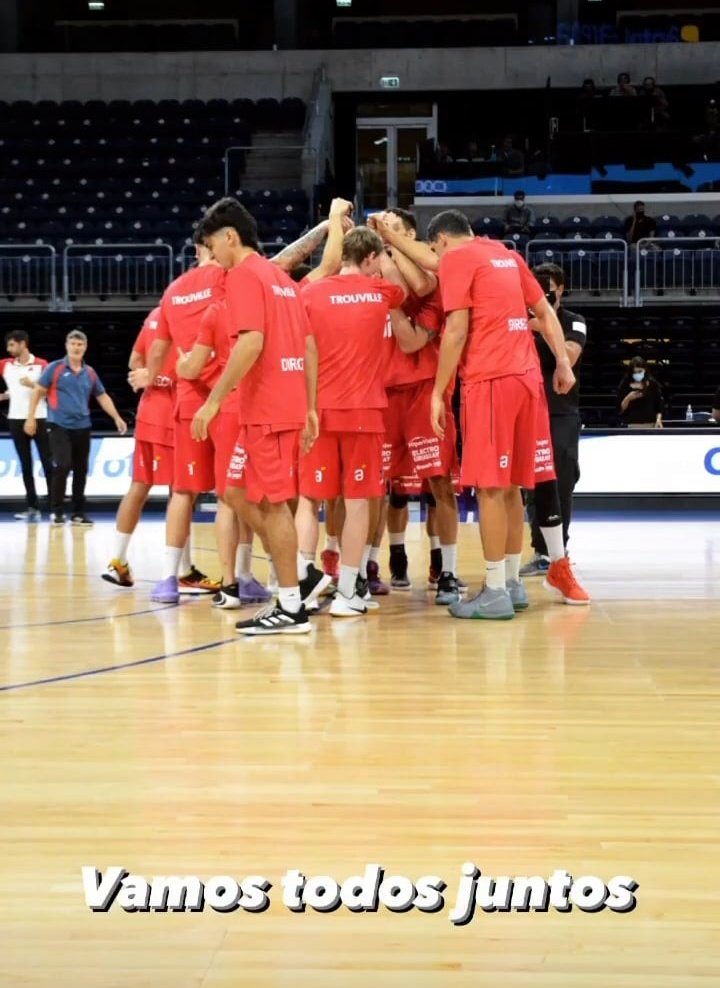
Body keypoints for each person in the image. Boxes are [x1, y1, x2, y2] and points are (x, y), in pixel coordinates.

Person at [426, 209, 580, 620]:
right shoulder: (507, 255)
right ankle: (511, 582)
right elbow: (545, 313)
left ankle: (493, 589)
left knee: (491, 488)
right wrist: (563, 364)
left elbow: (456, 330)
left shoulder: (456, 259)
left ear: (441, 241)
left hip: (491, 379)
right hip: (529, 379)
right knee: (512, 486)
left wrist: (438, 392)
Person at [191, 196, 321, 636]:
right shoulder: (278, 276)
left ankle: (290, 603)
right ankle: (294, 580)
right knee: (236, 491)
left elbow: (250, 343)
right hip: (283, 403)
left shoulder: (245, 274)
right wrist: (309, 407)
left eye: (212, 246)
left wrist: (211, 403)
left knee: (270, 503)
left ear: (230, 237)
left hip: (265, 406)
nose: (212, 257)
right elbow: (307, 345)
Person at [297, 225, 406, 616]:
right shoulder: (380, 290)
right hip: (364, 412)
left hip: (319, 411)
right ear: (372, 258)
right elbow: (405, 288)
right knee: (358, 502)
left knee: (310, 500)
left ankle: (301, 587)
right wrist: (390, 240)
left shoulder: (310, 292)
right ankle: (347, 593)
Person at [369, 207, 462, 605]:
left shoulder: (434, 282)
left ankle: (448, 571)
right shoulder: (374, 271)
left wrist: (389, 239)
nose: (384, 229)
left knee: (439, 485)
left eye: (395, 227)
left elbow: (416, 290)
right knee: (375, 487)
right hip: (382, 394)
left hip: (425, 391)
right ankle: (370, 566)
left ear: (411, 238)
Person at [521, 263, 587, 576]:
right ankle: (540, 551)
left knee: (562, 479)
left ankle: (560, 549)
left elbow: (570, 356)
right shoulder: (521, 320)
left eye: (546, 285)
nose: (541, 291)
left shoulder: (575, 321)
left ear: (559, 287)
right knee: (532, 483)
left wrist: (541, 323)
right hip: (529, 409)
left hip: (562, 412)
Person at [25, 330, 127, 526]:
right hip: (58, 424)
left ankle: (78, 513)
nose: (76, 347)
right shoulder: (55, 368)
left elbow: (102, 396)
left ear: (85, 347)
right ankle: (57, 511)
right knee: (62, 466)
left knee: (81, 469)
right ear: (67, 346)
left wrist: (117, 417)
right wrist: (31, 418)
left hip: (82, 426)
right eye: (73, 344)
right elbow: (38, 390)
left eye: (80, 344)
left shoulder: (90, 373)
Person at [1, 330, 53, 521]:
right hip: (15, 419)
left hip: (39, 417)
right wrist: (4, 396)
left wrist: (32, 384)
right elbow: (12, 391)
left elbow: (50, 392)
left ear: (23, 344)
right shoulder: (5, 365)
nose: (9, 349)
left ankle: (55, 506)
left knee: (48, 463)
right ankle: (32, 506)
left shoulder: (41, 364)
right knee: (25, 465)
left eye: (12, 345)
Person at [618, 356, 663, 429]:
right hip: (631, 425)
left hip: (651, 425)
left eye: (640, 372)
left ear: (645, 370)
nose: (637, 374)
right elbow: (620, 409)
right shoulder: (624, 385)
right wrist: (628, 398)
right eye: (635, 372)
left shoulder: (653, 385)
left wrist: (658, 420)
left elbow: (659, 407)